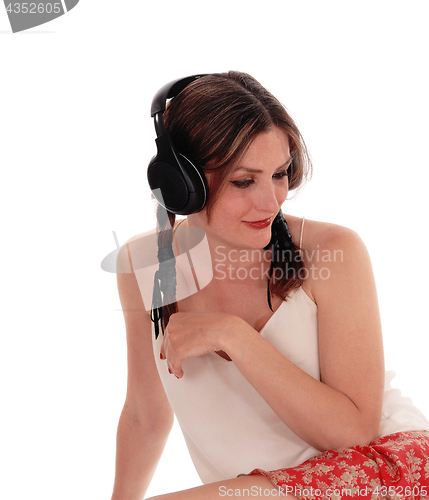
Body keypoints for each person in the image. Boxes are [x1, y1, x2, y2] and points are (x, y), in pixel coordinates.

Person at [110, 72, 429, 500]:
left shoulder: (332, 251)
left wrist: (234, 336)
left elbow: (354, 433)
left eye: (280, 174)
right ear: (181, 184)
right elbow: (145, 416)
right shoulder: (145, 265)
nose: (271, 201)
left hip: (382, 472)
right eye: (245, 181)